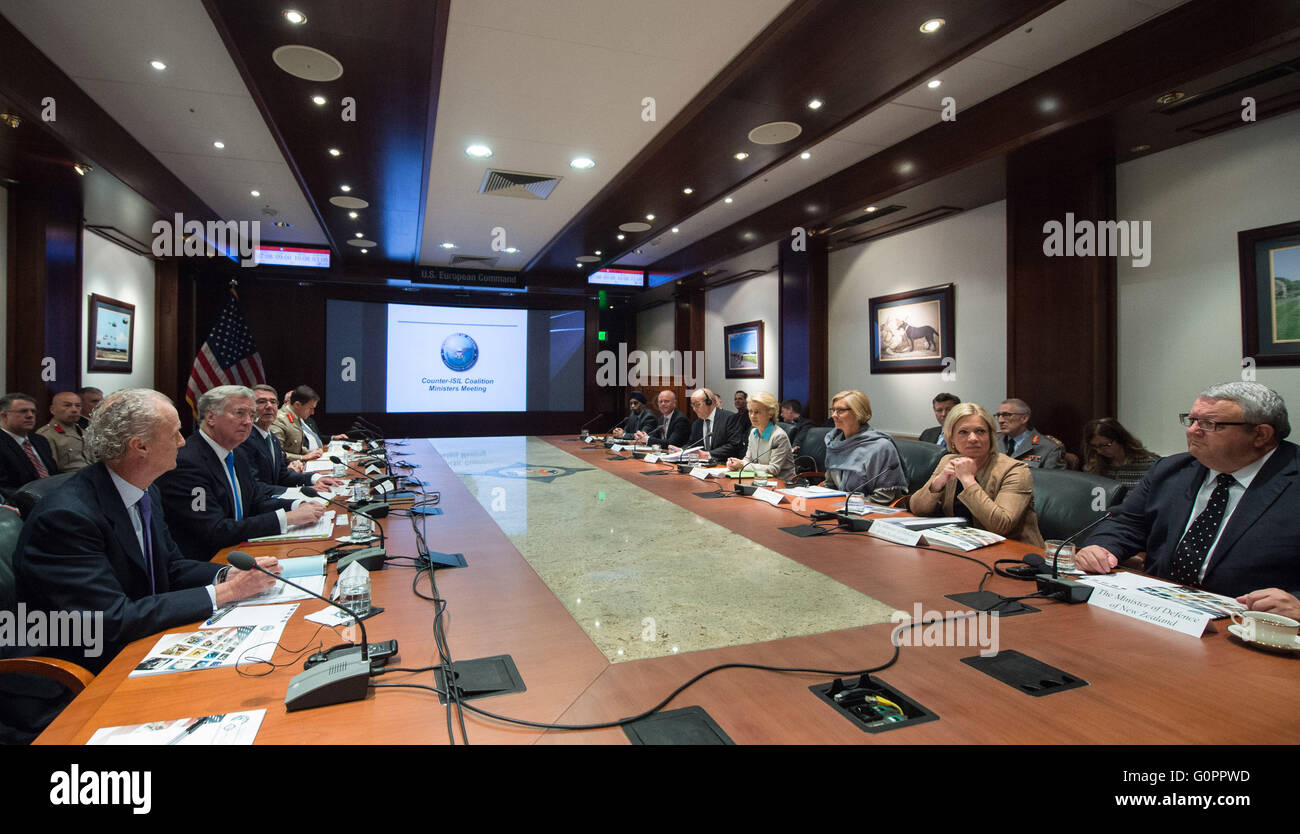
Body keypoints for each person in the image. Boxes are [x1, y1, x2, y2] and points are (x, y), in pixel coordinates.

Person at [2, 389, 281, 742]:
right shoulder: (66, 516)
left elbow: (171, 567)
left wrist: (228, 574)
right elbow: (111, 620)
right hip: (82, 671)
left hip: (138, 642)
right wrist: (223, 592)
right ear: (140, 447)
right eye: (175, 433)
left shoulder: (144, 489)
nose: (183, 442)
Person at [1074, 382, 1300, 620]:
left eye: (1209, 424)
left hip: (1249, 625)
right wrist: (1101, 547)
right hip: (1160, 611)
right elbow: (1125, 523)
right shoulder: (1171, 470)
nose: (1192, 431)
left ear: (1260, 434)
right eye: (1191, 420)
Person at [158, 385, 325, 562]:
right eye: (240, 413)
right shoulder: (187, 463)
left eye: (252, 416)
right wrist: (286, 518)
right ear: (211, 417)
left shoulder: (236, 452)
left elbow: (256, 501)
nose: (248, 422)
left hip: (241, 549)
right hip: (211, 563)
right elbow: (215, 530)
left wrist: (297, 505)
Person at [910, 402, 1045, 546]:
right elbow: (918, 508)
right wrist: (938, 483)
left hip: (1013, 554)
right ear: (952, 439)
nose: (973, 438)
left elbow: (1001, 526)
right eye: (963, 432)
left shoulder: (1015, 470)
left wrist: (968, 480)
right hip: (963, 545)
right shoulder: (948, 461)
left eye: (980, 431)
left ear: (991, 436)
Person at [239, 385, 345, 492]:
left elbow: (283, 476)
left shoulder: (272, 438)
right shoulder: (244, 440)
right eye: (261, 401)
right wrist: (299, 491)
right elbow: (255, 487)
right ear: (250, 408)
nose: (269, 406)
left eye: (273, 401)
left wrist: (315, 479)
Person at [823, 389, 907, 501]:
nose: (833, 415)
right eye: (833, 410)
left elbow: (884, 497)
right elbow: (830, 486)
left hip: (870, 511)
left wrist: (849, 504)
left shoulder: (881, 447)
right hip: (838, 507)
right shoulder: (834, 443)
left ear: (858, 413)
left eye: (840, 411)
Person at [0, 392, 59, 498]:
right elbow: (3, 487)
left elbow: (53, 473)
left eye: (33, 411)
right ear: (4, 416)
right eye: (23, 411)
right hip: (23, 503)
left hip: (54, 495)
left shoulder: (40, 440)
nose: (30, 415)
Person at [727, 392, 794, 480]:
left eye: (757, 412)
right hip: (759, 480)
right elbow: (748, 459)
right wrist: (736, 464)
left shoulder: (779, 436)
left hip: (781, 484)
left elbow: (773, 469)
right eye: (750, 411)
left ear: (770, 413)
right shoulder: (753, 433)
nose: (752, 416)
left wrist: (743, 465)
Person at [272, 385, 346, 461]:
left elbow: (295, 447)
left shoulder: (295, 417)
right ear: (297, 405)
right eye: (310, 408)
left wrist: (310, 452)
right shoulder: (278, 420)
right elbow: (277, 454)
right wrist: (303, 457)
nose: (312, 412)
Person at [1081, 417, 1160, 487]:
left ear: (1120, 439)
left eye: (1104, 445)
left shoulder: (1151, 465)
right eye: (1095, 446)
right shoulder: (1093, 467)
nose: (1099, 451)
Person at [677, 389, 747, 463]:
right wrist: (681, 450)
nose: (694, 409)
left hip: (724, 465)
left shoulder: (730, 418)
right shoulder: (697, 423)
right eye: (692, 405)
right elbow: (692, 444)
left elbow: (734, 445)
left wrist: (709, 454)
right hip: (702, 466)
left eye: (697, 404)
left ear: (709, 402)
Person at [995, 398, 1065, 468]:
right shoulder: (992, 441)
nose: (1000, 420)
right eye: (998, 415)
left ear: (1024, 418)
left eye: (1006, 415)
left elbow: (1052, 478)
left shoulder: (1049, 448)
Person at [36, 391, 91, 472]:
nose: (74, 410)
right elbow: (50, 470)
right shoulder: (45, 434)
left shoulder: (84, 431)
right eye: (67, 405)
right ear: (52, 409)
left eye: (78, 406)